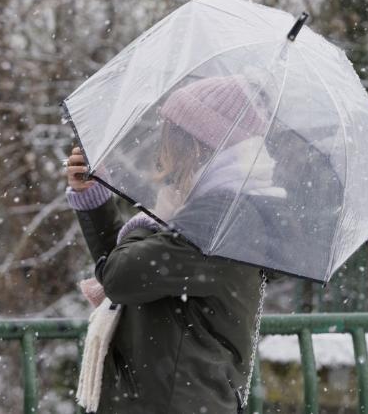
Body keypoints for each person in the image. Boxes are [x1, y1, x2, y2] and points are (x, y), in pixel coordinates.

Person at [65, 75, 285, 413]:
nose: (163, 152)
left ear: (195, 146)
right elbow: (130, 273)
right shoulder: (217, 211)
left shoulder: (219, 221)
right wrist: (94, 200)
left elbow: (121, 277)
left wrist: (147, 223)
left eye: (170, 136)